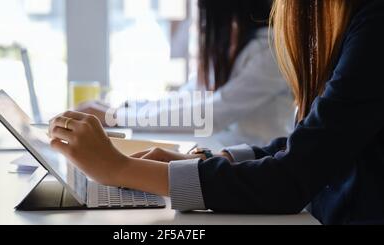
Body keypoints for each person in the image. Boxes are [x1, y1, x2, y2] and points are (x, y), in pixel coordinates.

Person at [48, 0, 384, 225]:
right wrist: (205, 159)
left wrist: (118, 166)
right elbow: (305, 146)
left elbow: (213, 116)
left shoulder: (364, 27)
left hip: (281, 193)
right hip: (267, 185)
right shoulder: (347, 24)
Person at [76, 0, 295, 146]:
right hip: (229, 152)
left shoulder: (272, 50)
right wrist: (122, 109)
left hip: (262, 163)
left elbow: (211, 114)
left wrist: (116, 118)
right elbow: (187, 98)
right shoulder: (235, 42)